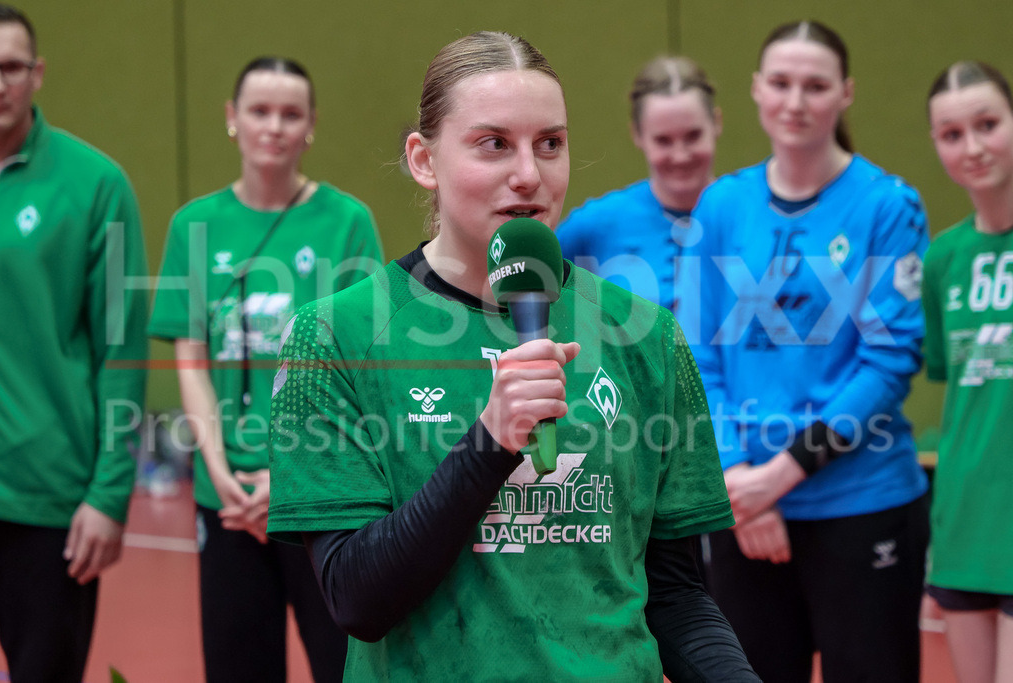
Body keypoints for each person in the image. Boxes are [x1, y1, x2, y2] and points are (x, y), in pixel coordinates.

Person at [266, 31, 758, 682]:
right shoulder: (334, 338)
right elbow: (357, 598)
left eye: (549, 143)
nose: (529, 173)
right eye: (493, 143)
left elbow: (674, 594)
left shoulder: (644, 334)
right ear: (424, 159)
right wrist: (490, 442)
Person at [682, 20, 931, 683]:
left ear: (845, 94)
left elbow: (887, 361)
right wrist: (741, 481)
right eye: (783, 83)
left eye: (815, 85)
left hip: (862, 501)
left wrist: (779, 476)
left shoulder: (887, 205)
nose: (797, 101)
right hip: (742, 508)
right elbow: (696, 356)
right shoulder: (721, 205)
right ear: (758, 92)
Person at [149, 56, 383, 682]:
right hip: (225, 501)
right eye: (259, 111)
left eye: (290, 114)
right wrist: (218, 470)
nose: (273, 127)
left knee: (346, 666)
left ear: (311, 126)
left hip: (318, 496)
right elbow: (190, 359)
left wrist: (291, 481)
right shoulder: (193, 225)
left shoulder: (347, 222)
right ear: (231, 119)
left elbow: (361, 367)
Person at [0, 4, 148, 682]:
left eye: (10, 67)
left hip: (45, 497)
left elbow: (123, 347)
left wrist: (109, 494)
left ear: (38, 73)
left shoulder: (95, 185)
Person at [923, 60, 1013, 683]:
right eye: (953, 134)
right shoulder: (944, 258)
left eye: (989, 124)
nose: (974, 147)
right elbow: (958, 383)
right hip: (964, 525)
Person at [557, 56, 721, 327]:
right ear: (637, 133)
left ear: (717, 123)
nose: (680, 156)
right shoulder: (596, 225)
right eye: (663, 140)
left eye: (693, 136)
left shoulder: (747, 214)